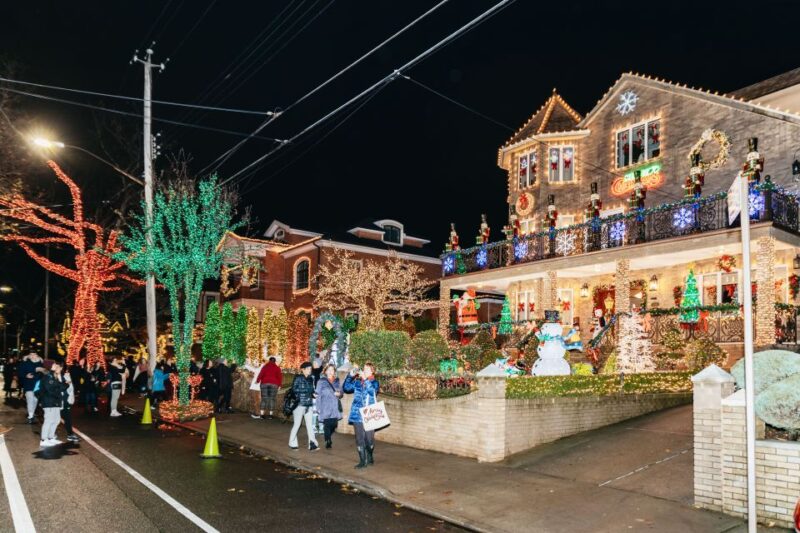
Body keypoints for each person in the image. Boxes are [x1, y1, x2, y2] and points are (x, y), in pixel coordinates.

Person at [342, 362, 380, 469]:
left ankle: (370, 455)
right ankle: (362, 461)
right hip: (357, 414)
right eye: (364, 369)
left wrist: (366, 379)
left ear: (372, 371)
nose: (364, 371)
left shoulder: (374, 382)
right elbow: (346, 388)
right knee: (359, 439)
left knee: (369, 439)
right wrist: (350, 375)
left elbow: (372, 391)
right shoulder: (357, 382)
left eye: (367, 369)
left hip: (369, 414)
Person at [288, 362, 318, 451]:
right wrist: (307, 390)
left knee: (310, 425)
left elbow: (312, 390)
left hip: (308, 404)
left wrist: (313, 394)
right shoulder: (298, 378)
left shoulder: (310, 379)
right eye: (308, 369)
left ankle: (312, 444)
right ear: (303, 369)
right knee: (297, 424)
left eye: (310, 369)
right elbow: (294, 389)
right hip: (299, 404)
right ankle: (292, 442)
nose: (310, 370)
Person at [38, 360, 67, 447]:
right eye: (54, 364)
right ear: (49, 366)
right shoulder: (47, 377)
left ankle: (50, 437)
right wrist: (62, 387)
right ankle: (43, 439)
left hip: (55, 402)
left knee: (56, 420)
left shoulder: (52, 376)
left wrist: (62, 386)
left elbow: (61, 386)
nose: (56, 365)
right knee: (48, 421)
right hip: (49, 402)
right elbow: (51, 390)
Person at [315, 364, 342, 449]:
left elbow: (341, 392)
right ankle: (328, 440)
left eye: (332, 370)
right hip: (325, 405)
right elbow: (317, 394)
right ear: (325, 371)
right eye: (329, 370)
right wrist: (318, 407)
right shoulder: (321, 381)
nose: (330, 371)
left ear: (334, 372)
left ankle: (328, 436)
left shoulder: (337, 381)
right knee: (327, 424)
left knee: (334, 424)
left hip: (334, 406)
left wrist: (339, 394)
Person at [18, 351, 44, 424]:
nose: (32, 356)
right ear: (29, 355)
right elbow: (20, 372)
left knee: (35, 400)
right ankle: (30, 416)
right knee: (30, 400)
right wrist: (26, 375)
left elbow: (45, 372)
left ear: (37, 355)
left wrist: (41, 371)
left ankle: (31, 414)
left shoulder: (41, 363)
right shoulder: (25, 362)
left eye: (34, 354)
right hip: (28, 385)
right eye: (31, 354)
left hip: (37, 386)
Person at [60, 365, 79, 443]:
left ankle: (70, 434)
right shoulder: (53, 376)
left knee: (67, 418)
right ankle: (48, 437)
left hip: (65, 400)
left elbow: (71, 389)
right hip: (55, 401)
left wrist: (70, 399)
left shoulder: (66, 376)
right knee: (53, 419)